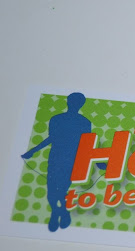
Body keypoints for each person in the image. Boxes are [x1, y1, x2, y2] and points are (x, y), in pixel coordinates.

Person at [22, 93, 93, 232]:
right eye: (73, 101)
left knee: (62, 189)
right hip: (56, 158)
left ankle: (61, 212)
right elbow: (51, 138)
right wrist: (33, 151)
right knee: (51, 190)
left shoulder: (85, 122)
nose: (74, 104)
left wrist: (96, 161)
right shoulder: (56, 119)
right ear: (68, 102)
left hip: (72, 160)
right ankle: (58, 212)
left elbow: (86, 145)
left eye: (77, 102)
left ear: (81, 105)